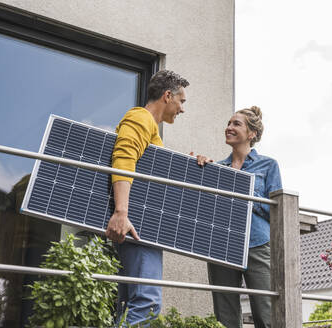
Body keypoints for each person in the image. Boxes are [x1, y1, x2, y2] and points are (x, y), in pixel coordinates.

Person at [105, 70, 189, 325]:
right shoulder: (141, 117)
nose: (182, 109)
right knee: (147, 302)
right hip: (137, 227)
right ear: (167, 96)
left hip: (142, 225)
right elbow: (124, 158)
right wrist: (121, 213)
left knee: (131, 302)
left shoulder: (151, 130)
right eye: (181, 101)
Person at [196, 106, 282, 328]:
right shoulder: (218, 167)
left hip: (257, 244)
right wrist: (200, 169)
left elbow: (277, 212)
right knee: (225, 317)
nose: (229, 127)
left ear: (251, 134)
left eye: (236, 124)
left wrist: (247, 191)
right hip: (221, 245)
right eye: (228, 123)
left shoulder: (268, 165)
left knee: (266, 313)